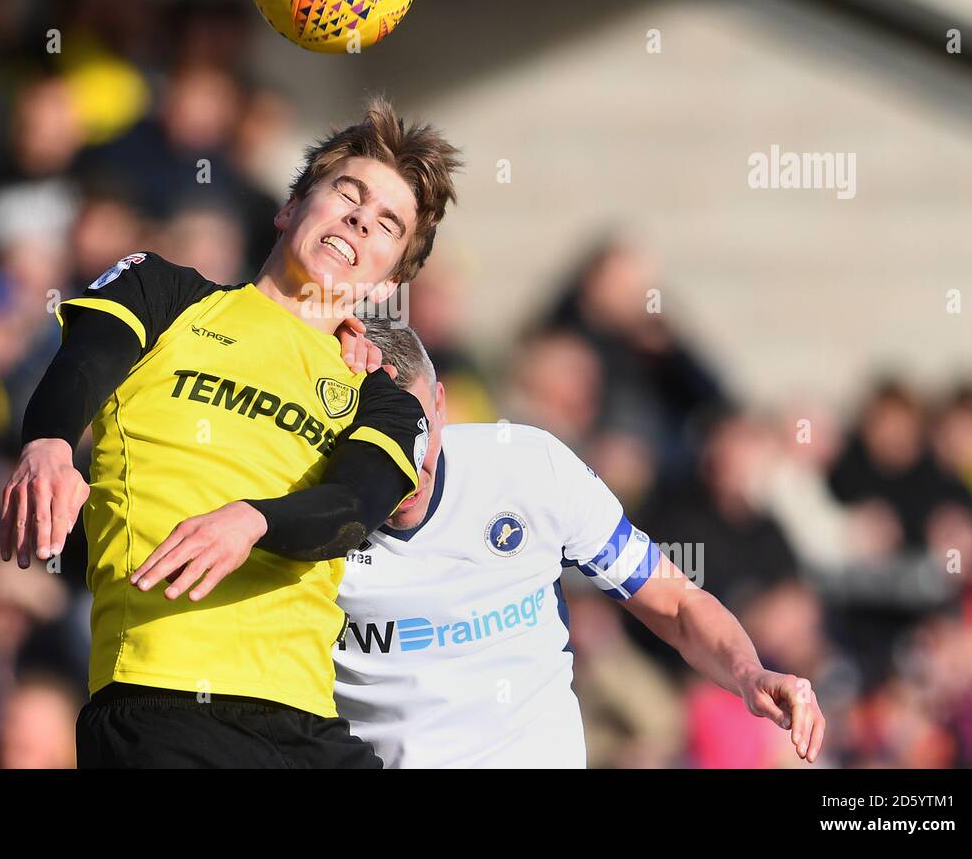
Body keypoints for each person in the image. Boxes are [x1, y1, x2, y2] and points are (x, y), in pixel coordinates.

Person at [0, 96, 462, 768]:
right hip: (161, 698)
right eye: (347, 193)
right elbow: (83, 363)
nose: (361, 217)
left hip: (304, 721)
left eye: (387, 223)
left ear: (391, 279)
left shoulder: (384, 402)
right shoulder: (163, 292)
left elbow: (350, 511)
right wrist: (47, 444)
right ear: (292, 207)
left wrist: (253, 521)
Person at [330, 318, 825, 768]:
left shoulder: (531, 468)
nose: (407, 461)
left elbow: (675, 602)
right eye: (375, 438)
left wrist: (749, 672)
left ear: (441, 405)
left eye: (416, 427)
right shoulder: (299, 513)